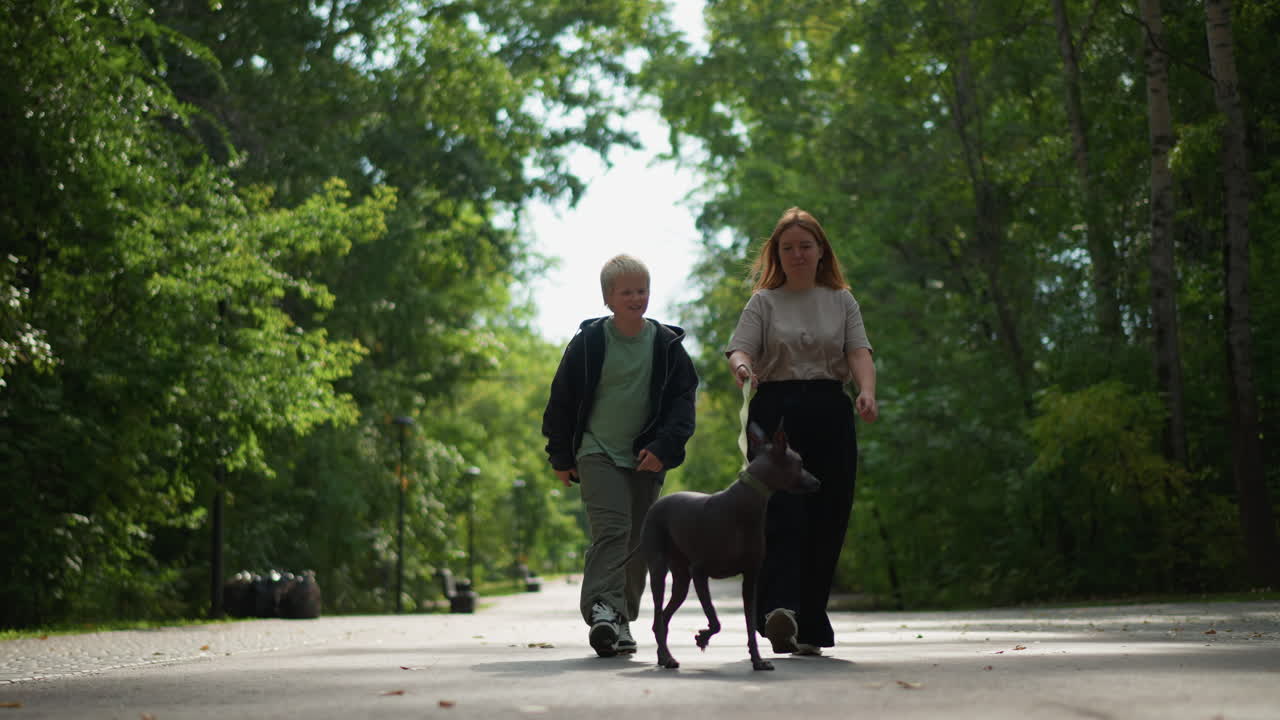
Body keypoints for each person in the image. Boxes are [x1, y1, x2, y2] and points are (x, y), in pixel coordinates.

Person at [724, 207, 878, 656]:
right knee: (782, 515)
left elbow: (859, 352)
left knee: (829, 514)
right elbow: (739, 348)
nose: (796, 254)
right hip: (778, 416)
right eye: (787, 247)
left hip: (830, 408)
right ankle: (781, 610)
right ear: (777, 253)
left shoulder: (841, 300)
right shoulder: (764, 302)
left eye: (804, 246)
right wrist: (743, 367)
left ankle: (810, 621)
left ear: (820, 250)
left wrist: (866, 392)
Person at [542, 254, 698, 658]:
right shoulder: (590, 343)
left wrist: (664, 449)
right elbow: (561, 399)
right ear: (608, 298)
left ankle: (620, 621)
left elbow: (682, 406)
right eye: (626, 291)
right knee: (612, 529)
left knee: (638, 539)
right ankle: (602, 610)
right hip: (597, 450)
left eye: (642, 290)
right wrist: (560, 455)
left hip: (646, 457)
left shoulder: (666, 345)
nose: (636, 298)